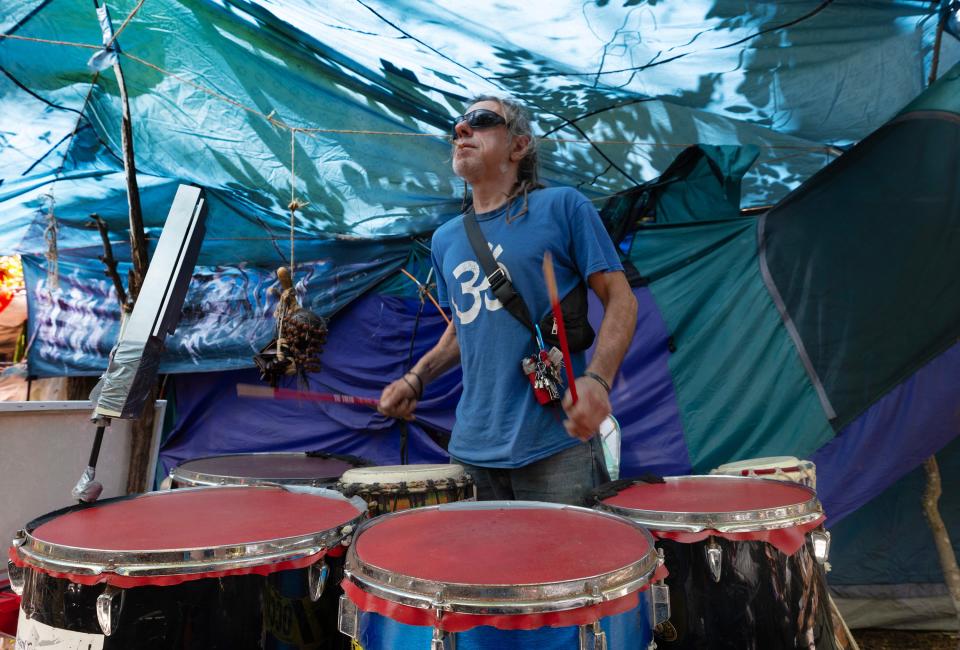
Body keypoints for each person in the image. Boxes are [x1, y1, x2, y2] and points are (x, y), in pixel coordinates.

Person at [378, 95, 637, 505]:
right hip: (470, 450)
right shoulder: (445, 240)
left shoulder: (564, 207)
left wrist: (599, 379)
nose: (462, 131)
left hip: (553, 446)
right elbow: (466, 326)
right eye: (458, 126)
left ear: (519, 146)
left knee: (562, 569)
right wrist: (418, 378)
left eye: (480, 121)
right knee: (478, 569)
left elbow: (621, 299)